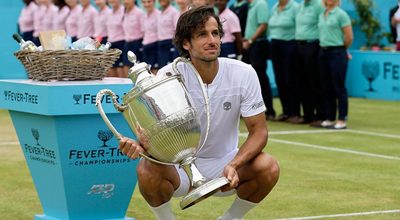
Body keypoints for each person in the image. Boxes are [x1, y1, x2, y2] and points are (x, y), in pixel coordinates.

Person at [118, 6, 279, 220]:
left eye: (215, 33)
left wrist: (234, 164)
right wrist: (139, 145)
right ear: (186, 43)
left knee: (268, 166)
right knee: (146, 170)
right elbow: (152, 135)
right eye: (202, 34)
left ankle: (231, 218)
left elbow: (259, 131)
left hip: (227, 166)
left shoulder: (244, 72)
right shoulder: (167, 75)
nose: (212, 40)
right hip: (177, 167)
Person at [318, 0, 353, 129]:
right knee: (326, 86)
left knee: (339, 86)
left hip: (337, 52)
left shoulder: (341, 14)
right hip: (323, 52)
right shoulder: (322, 14)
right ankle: (330, 117)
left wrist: (342, 49)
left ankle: (342, 119)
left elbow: (349, 36)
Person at [269, 0, 301, 123]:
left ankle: (295, 112)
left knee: (291, 79)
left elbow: (300, 27)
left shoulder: (295, 7)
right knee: (280, 79)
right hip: (275, 44)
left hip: (290, 44)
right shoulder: (275, 7)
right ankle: (286, 111)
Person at [243, 0, 276, 120]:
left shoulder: (260, 3)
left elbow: (263, 25)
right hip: (252, 44)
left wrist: (251, 40)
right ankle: (257, 110)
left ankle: (269, 111)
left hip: (258, 44)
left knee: (260, 77)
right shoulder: (250, 5)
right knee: (253, 79)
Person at [295, 0, 325, 126]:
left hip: (312, 44)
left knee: (315, 81)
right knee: (302, 82)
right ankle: (308, 114)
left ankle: (320, 115)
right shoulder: (300, 6)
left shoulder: (318, 5)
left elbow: (323, 25)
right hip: (299, 45)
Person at [122, 0, 145, 75]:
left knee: (137, 69)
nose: (126, 2)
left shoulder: (139, 13)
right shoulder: (125, 12)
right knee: (125, 66)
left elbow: (144, 30)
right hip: (127, 43)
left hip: (137, 43)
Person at [157, 0, 180, 68]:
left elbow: (177, 29)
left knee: (170, 69)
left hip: (170, 43)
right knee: (162, 68)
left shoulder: (174, 12)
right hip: (161, 43)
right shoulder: (160, 13)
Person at [107, 0, 126, 77]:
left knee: (121, 71)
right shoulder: (109, 12)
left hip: (121, 43)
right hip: (111, 43)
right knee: (111, 71)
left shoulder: (124, 11)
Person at [142, 0, 161, 74]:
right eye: (144, 2)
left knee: (156, 72)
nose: (146, 4)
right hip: (146, 46)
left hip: (155, 46)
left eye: (149, 2)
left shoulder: (159, 14)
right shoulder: (144, 15)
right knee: (147, 73)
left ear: (154, 2)